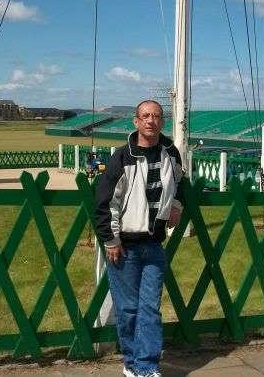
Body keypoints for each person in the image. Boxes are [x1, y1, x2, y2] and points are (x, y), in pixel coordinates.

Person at [95, 100, 184, 377]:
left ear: (162, 121)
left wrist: (177, 205)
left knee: (150, 309)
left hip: (154, 245)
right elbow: (105, 202)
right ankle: (132, 364)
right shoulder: (122, 157)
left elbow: (180, 181)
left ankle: (146, 366)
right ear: (136, 121)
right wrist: (111, 240)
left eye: (156, 116)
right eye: (145, 116)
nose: (150, 120)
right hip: (125, 247)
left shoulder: (171, 153)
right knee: (129, 309)